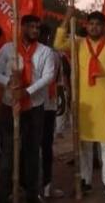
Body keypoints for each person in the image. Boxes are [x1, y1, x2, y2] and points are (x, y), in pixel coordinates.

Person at [54, 10, 105, 199]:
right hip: (84, 105)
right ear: (86, 26)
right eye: (91, 24)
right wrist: (66, 17)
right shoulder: (79, 43)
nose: (94, 27)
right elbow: (57, 44)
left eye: (98, 24)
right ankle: (85, 182)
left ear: (104, 27)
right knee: (84, 147)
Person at [0, 15, 56, 203]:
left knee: (31, 152)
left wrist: (27, 92)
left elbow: (48, 76)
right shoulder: (8, 49)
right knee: (9, 154)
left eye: (37, 27)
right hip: (9, 106)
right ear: (21, 28)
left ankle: (32, 195)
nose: (35, 30)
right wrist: (9, 82)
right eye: (31, 27)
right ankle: (3, 194)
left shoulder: (45, 52)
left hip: (34, 107)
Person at [39, 23, 64, 199]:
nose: (43, 38)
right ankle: (30, 187)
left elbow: (59, 80)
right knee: (30, 149)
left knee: (47, 147)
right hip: (32, 106)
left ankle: (47, 186)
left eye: (46, 35)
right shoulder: (26, 53)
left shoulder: (55, 55)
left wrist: (61, 100)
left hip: (49, 106)